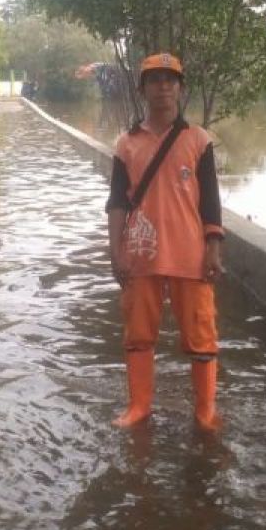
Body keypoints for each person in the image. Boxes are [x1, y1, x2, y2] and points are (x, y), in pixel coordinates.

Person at [105, 53, 225, 431]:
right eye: (154, 80)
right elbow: (118, 202)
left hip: (191, 255)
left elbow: (211, 202)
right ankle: (139, 406)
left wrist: (213, 247)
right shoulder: (126, 144)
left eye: (170, 80)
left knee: (201, 336)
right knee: (138, 334)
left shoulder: (199, 140)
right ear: (142, 89)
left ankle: (205, 411)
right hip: (141, 255)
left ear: (181, 87)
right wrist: (115, 251)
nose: (163, 86)